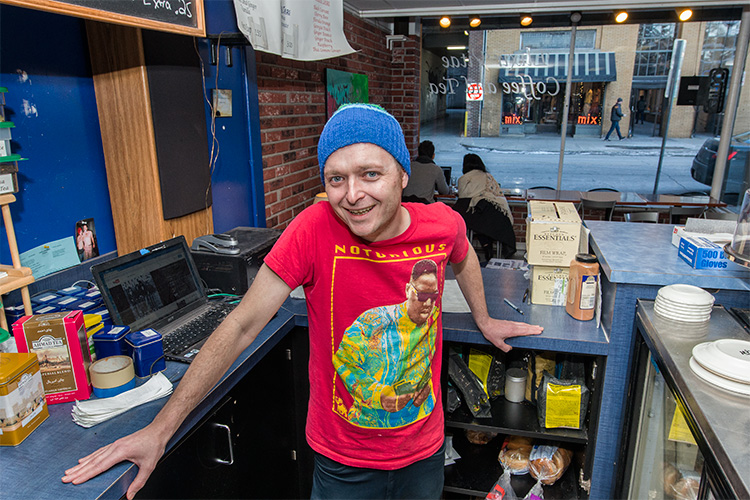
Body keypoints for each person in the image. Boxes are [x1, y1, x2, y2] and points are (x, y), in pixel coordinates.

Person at [62, 103, 542, 500]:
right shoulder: (312, 231)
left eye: (370, 174)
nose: (352, 195)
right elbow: (241, 325)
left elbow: (464, 256)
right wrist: (160, 430)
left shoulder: (442, 224)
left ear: (401, 174)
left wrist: (484, 318)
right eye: (336, 179)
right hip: (342, 460)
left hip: (423, 451)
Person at [454, 153, 517, 261]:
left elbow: (462, 195)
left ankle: (485, 247)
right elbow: (496, 193)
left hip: (468, 213)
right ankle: (489, 249)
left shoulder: (463, 179)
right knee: (485, 223)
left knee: (476, 223)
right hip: (488, 213)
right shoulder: (488, 177)